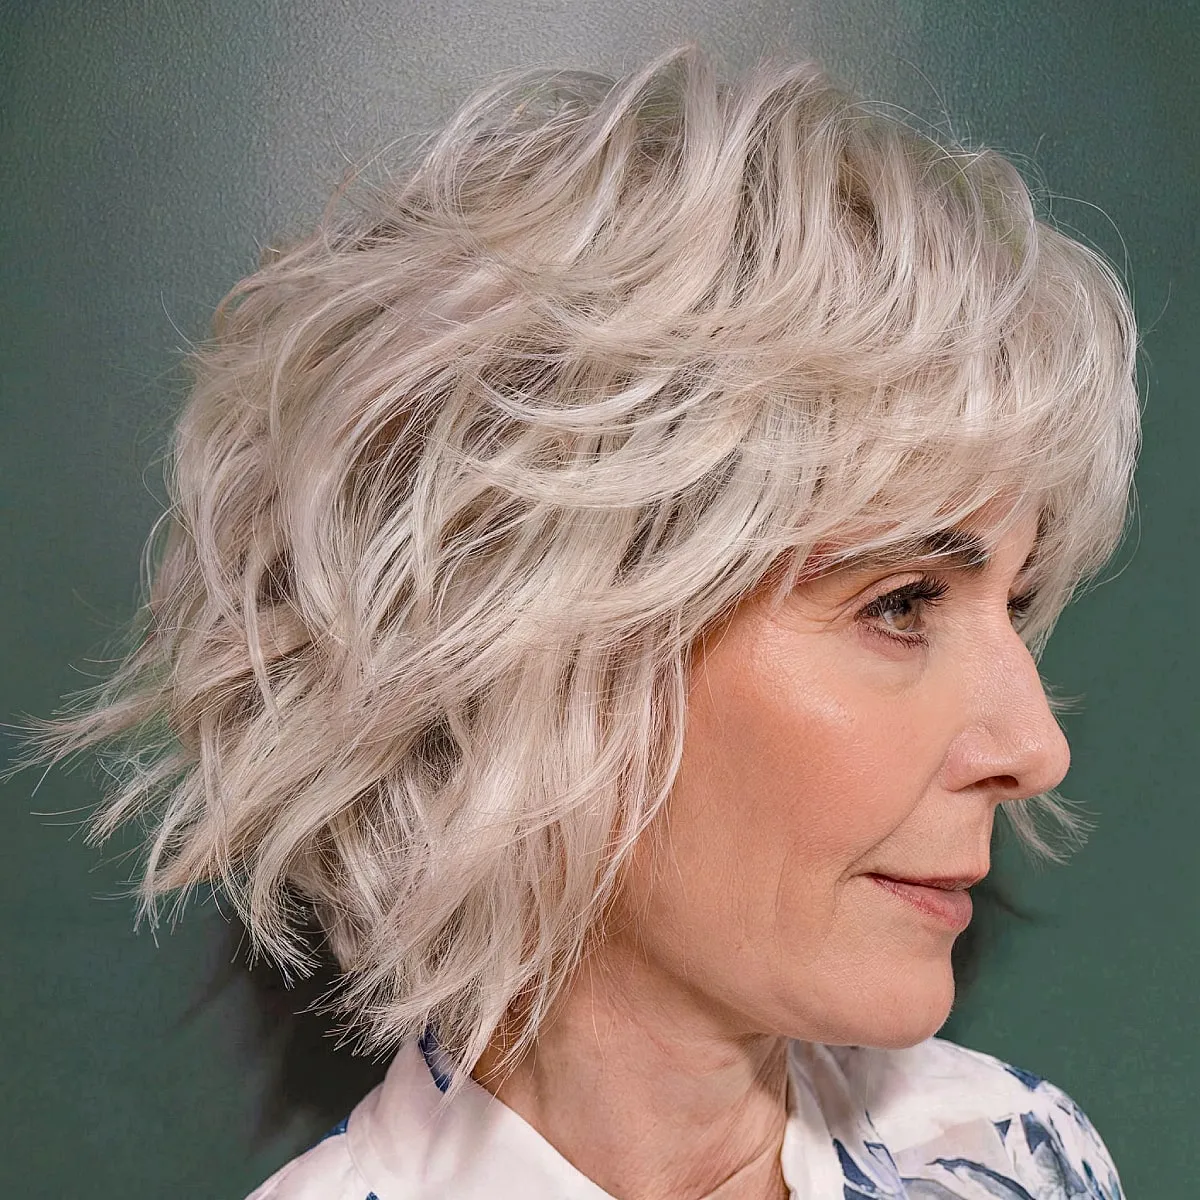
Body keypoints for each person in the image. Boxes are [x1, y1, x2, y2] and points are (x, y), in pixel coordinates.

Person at [31, 45, 1137, 1199]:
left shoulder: (1012, 1155)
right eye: (900, 602)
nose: (1035, 749)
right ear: (544, 642)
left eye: (1014, 606)